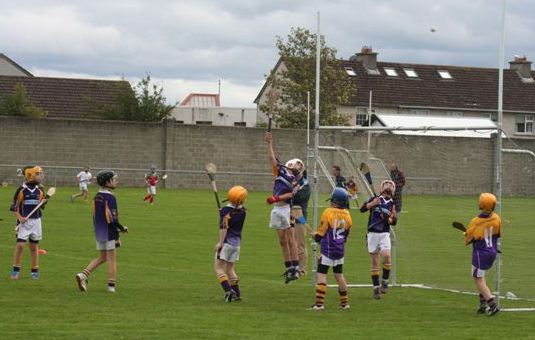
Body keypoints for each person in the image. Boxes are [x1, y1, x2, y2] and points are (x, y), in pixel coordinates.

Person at [76, 170, 128, 293]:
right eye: (114, 179)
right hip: (109, 231)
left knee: (103, 257)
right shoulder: (110, 197)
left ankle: (83, 275)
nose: (116, 181)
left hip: (99, 231)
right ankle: (111, 286)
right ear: (107, 182)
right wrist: (121, 228)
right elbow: (113, 218)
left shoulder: (96, 197)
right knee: (111, 259)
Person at [265, 132, 300, 284]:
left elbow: (290, 195)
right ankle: (288, 268)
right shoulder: (280, 171)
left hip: (286, 209)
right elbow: (272, 159)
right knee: (282, 241)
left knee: (291, 239)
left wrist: (276, 198)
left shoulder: (295, 180)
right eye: (293, 163)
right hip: (276, 209)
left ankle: (296, 268)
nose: (295, 165)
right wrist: (269, 143)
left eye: (299, 165)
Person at [309, 188, 352, 310]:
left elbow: (321, 233)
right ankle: (345, 303)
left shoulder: (328, 212)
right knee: (339, 275)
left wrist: (315, 236)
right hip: (340, 249)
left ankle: (319, 304)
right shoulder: (348, 215)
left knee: (321, 273)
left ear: (335, 201)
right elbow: (346, 234)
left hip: (328, 249)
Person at [463, 193, 501, 316]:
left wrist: (468, 236)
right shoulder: (496, 218)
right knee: (481, 277)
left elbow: (468, 240)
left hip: (481, 254)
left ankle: (492, 305)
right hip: (492, 252)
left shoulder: (476, 221)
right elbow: (495, 235)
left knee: (478, 279)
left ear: (483, 205)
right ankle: (482, 305)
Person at [9, 166, 49, 280]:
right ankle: (15, 270)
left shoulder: (40, 190)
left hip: (36, 221)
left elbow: (41, 206)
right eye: (37, 174)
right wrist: (20, 217)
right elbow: (14, 207)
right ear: (30, 176)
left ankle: (35, 271)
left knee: (34, 246)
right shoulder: (21, 190)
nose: (40, 176)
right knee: (20, 245)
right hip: (24, 222)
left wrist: (44, 201)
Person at [360, 180, 397, 299]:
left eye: (391, 185)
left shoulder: (392, 204)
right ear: (381, 188)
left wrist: (388, 219)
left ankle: (385, 280)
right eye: (386, 185)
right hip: (372, 233)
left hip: (384, 234)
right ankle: (376, 288)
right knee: (375, 262)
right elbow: (362, 209)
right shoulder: (375, 199)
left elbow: (394, 221)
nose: (388, 186)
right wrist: (372, 204)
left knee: (386, 255)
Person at [214, 186, 248, 302]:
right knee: (230, 269)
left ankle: (229, 291)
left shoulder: (225, 211)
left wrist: (220, 242)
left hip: (227, 242)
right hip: (236, 244)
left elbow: (224, 227)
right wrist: (223, 213)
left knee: (218, 268)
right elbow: (233, 213)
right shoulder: (243, 211)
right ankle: (237, 294)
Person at [290, 162, 310, 276]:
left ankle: (302, 269)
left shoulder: (305, 185)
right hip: (291, 215)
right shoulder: (294, 183)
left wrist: (291, 191)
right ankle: (294, 266)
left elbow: (296, 197)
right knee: (292, 243)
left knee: (300, 244)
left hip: (300, 217)